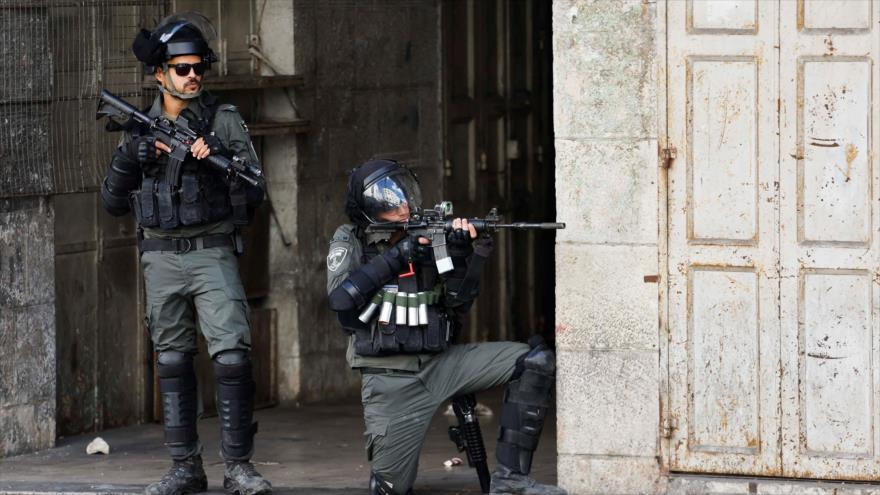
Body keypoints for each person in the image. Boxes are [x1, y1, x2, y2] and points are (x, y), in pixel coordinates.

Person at [100, 12, 271, 495]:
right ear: (160, 73)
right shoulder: (140, 127)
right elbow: (112, 203)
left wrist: (218, 160)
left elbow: (256, 194)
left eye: (198, 67)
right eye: (181, 68)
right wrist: (130, 158)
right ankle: (185, 467)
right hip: (159, 257)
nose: (192, 75)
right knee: (172, 359)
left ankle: (238, 467)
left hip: (211, 252)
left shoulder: (223, 121)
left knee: (232, 356)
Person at [326, 159, 566, 495]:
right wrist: (398, 257)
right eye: (392, 202)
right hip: (390, 379)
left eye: (405, 197)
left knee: (534, 362)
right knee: (390, 488)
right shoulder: (350, 239)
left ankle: (511, 480)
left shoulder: (428, 236)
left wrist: (466, 255)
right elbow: (341, 303)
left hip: (445, 363)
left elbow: (458, 303)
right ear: (370, 208)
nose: (405, 206)